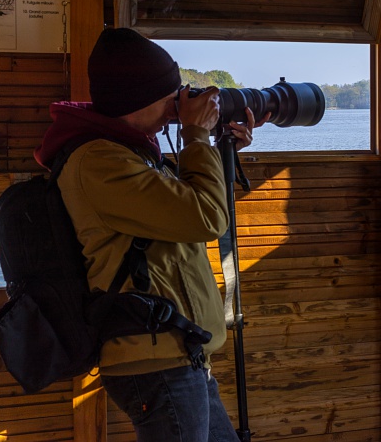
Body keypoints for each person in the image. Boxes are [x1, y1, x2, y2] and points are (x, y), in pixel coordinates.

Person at [34, 28, 261, 442]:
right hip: (155, 361)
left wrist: (218, 147)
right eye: (172, 93)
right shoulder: (98, 160)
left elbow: (191, 202)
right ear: (139, 96)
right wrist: (195, 135)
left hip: (179, 353)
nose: (180, 102)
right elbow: (205, 216)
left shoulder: (130, 151)